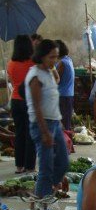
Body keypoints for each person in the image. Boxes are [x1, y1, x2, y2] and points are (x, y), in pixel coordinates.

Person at [25, 39, 69, 198]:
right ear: (42, 56)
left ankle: (48, 190)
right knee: (46, 167)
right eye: (51, 57)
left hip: (54, 123)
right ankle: (42, 201)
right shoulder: (35, 76)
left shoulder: (48, 72)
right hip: (41, 124)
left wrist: (59, 121)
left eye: (56, 57)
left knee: (63, 162)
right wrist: (44, 132)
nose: (55, 61)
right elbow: (37, 107)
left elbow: (56, 83)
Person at [7, 35, 36, 174]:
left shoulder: (11, 63)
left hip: (15, 100)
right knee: (30, 134)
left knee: (19, 134)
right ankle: (30, 166)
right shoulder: (32, 63)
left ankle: (19, 166)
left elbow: (13, 83)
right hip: (29, 100)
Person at [55, 39, 75, 132]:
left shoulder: (61, 63)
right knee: (66, 121)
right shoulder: (68, 59)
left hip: (62, 95)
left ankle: (66, 142)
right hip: (68, 94)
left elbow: (56, 80)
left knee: (63, 122)